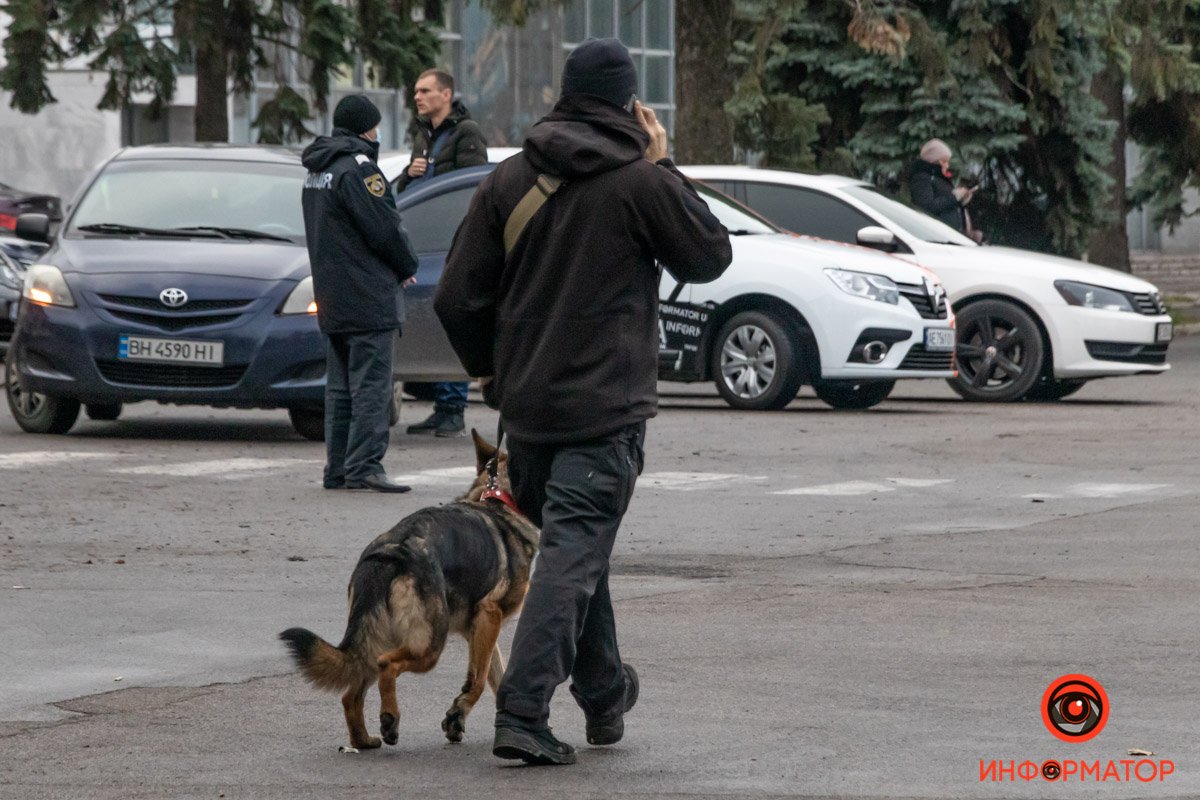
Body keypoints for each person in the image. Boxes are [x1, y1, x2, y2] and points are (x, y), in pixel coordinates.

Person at [434, 38, 733, 765]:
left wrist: (493, 374)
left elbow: (455, 297)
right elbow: (710, 255)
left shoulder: (508, 179)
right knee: (572, 556)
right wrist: (663, 161)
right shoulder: (640, 182)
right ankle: (524, 711)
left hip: (530, 417)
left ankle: (604, 697)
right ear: (633, 105)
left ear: (563, 98)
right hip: (605, 415)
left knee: (575, 551)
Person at [301, 94, 419, 493]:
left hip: (333, 295)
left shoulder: (318, 169)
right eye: (375, 125)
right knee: (371, 387)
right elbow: (385, 228)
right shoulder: (359, 169)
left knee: (339, 389)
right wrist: (407, 267)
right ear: (367, 129)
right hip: (368, 295)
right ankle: (365, 466)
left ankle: (338, 469)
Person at [396, 69, 489, 437]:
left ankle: (453, 406)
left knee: (450, 319)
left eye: (425, 90)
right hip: (427, 241)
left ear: (446, 94)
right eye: (416, 90)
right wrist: (409, 173)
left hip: (453, 242)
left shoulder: (467, 132)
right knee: (431, 321)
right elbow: (411, 191)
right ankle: (442, 405)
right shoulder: (423, 134)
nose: (417, 96)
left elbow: (472, 187)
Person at [909, 138, 974, 233]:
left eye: (948, 161)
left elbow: (946, 203)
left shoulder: (940, 179)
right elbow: (926, 207)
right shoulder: (922, 178)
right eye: (944, 161)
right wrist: (954, 197)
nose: (947, 165)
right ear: (933, 160)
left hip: (950, 233)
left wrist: (961, 200)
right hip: (935, 233)